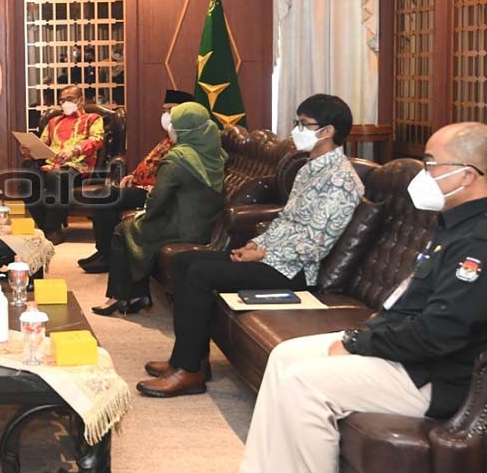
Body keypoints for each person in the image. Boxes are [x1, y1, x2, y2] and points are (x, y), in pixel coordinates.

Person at [240, 121, 487, 472]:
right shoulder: (453, 224)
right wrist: (367, 335)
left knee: (303, 384)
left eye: (431, 164)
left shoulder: (476, 241)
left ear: (466, 175)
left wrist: (361, 343)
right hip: (410, 354)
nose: (424, 174)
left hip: (436, 376)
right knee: (284, 355)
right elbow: (408, 303)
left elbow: (441, 332)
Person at [138, 94, 363, 398]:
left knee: (200, 274)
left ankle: (187, 371)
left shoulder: (340, 179)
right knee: (183, 262)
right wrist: (254, 244)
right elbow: (286, 220)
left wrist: (264, 253)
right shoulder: (310, 168)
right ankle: (194, 360)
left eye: (304, 124)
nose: (297, 130)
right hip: (272, 258)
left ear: (328, 131)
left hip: (294, 270)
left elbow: (315, 244)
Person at [92, 101, 226, 317]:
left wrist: (144, 215)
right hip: (205, 224)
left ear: (184, 129)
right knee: (132, 227)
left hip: (181, 227)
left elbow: (156, 202)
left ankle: (118, 297)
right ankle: (138, 296)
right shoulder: (215, 152)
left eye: (174, 123)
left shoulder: (177, 160)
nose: (170, 127)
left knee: (123, 229)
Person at [78, 89, 195, 273]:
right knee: (105, 196)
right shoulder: (169, 137)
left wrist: (145, 185)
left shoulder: (187, 138)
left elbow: (170, 174)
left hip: (156, 192)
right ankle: (105, 252)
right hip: (143, 186)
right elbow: (150, 163)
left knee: (104, 194)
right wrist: (133, 176)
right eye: (164, 110)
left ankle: (106, 255)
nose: (166, 115)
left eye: (171, 110)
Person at [21, 85, 105, 244]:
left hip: (77, 168)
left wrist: (73, 150)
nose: (65, 103)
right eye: (62, 100)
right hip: (50, 166)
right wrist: (29, 150)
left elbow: (96, 140)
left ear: (81, 100)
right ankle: (44, 227)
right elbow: (42, 145)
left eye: (70, 99)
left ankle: (53, 230)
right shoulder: (53, 122)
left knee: (56, 176)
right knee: (27, 174)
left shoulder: (93, 119)